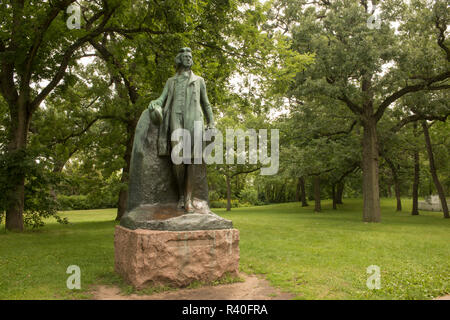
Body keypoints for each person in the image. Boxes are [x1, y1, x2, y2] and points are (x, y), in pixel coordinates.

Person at [148, 47, 215, 212]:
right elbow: (161, 99)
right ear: (179, 60)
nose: (188, 59)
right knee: (178, 159)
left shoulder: (199, 80)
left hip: (195, 121)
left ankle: (188, 198)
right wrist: (154, 103)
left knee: (192, 160)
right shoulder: (171, 82)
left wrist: (211, 122)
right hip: (176, 120)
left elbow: (205, 103)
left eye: (190, 57)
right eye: (185, 57)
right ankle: (180, 194)